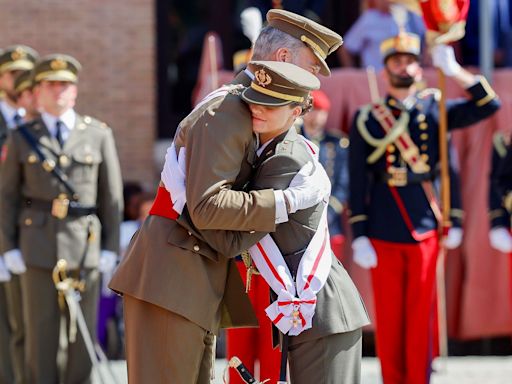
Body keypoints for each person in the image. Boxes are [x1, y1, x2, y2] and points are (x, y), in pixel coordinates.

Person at [110, 9, 342, 383]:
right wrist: (286, 202)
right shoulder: (228, 111)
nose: (315, 79)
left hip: (191, 274)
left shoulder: (241, 108)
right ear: (283, 59)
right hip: (173, 273)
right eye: (312, 66)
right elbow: (206, 206)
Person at [348, 32, 500, 384]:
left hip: (425, 225)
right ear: (385, 71)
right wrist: (359, 233)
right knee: (388, 318)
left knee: (421, 315)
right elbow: (358, 179)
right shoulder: (367, 117)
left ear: (420, 69)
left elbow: (489, 107)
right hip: (382, 227)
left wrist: (457, 71)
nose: (403, 66)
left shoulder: (436, 109)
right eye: (396, 61)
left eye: (410, 60)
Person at [0, 53, 123, 383]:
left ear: (75, 91)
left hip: (85, 247)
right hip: (37, 248)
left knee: (82, 338)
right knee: (40, 337)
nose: (58, 92)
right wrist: (7, 247)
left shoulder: (98, 134)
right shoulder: (22, 135)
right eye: (50, 85)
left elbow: (110, 199)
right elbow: (8, 196)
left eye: (64, 85)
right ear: (38, 92)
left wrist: (111, 248)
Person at [0, 44, 38, 384]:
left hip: (29, 235)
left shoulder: (37, 122)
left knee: (26, 325)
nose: (21, 80)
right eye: (14, 74)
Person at [300, 89, 350, 262]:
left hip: (330, 225)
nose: (317, 116)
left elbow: (343, 184)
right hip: (298, 225)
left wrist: (328, 214)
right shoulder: (294, 141)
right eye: (313, 110)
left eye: (322, 112)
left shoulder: (337, 143)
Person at [339, 0, 425, 70]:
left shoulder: (412, 16)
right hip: (375, 79)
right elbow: (346, 49)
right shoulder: (369, 19)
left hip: (407, 78)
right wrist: (353, 75)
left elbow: (427, 42)